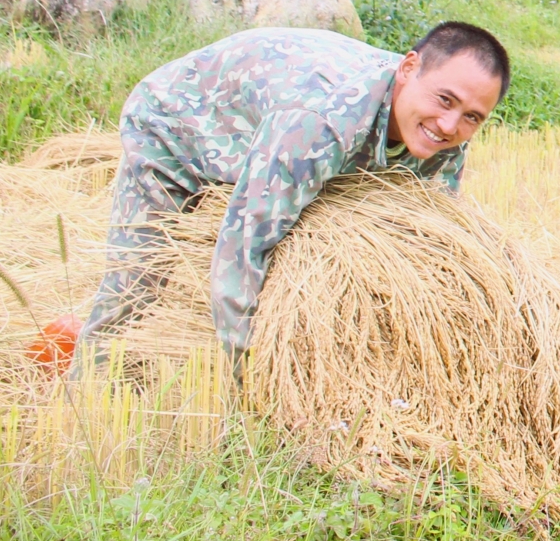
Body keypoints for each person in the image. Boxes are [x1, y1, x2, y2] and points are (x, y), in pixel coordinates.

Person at [76, 23, 509, 371]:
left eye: (472, 116)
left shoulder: (444, 134)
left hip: (265, 126)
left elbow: (432, 235)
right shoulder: (319, 124)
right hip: (176, 124)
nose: (450, 125)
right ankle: (86, 390)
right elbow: (243, 248)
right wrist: (252, 377)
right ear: (409, 67)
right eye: (444, 99)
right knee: (138, 279)